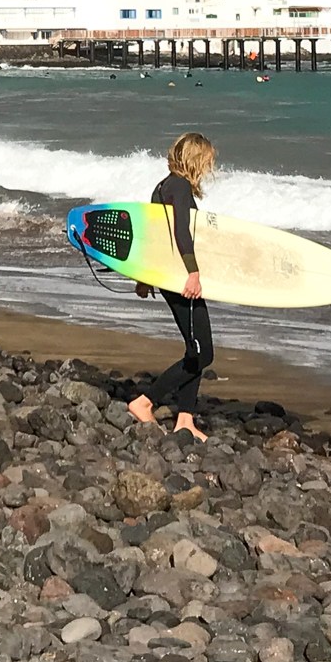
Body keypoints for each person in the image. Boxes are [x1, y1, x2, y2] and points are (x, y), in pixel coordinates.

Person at [127, 132, 217, 442]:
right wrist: (193, 272)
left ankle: (185, 420)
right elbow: (180, 232)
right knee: (203, 352)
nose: (208, 166)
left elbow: (155, 237)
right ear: (195, 159)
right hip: (181, 279)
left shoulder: (162, 186)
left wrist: (145, 276)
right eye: (206, 160)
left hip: (168, 275)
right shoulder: (178, 186)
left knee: (194, 348)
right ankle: (146, 401)